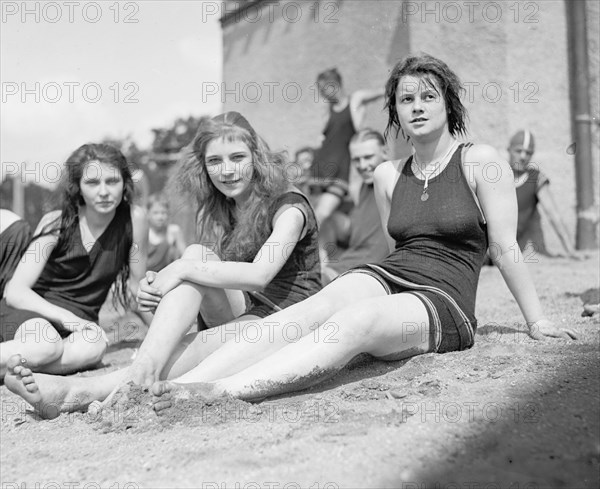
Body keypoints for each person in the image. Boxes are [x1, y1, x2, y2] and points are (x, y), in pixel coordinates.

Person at [5, 57, 575, 418]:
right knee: (301, 316)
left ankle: (217, 394)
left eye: (428, 95)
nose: (418, 105)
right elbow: (390, 249)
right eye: (406, 98)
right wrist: (339, 279)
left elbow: (502, 248)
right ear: (395, 112)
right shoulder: (386, 174)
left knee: (353, 323)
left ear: (449, 102)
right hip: (384, 278)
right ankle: (88, 394)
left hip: (445, 299)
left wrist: (536, 321)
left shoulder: (483, 160)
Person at [0, 144, 149, 377]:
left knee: (96, 345)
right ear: (78, 187)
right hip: (33, 311)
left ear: (125, 182)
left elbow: (134, 287)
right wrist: (68, 320)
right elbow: (15, 291)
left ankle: (16, 370)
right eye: (92, 183)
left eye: (112, 181)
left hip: (83, 322)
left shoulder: (135, 219)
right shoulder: (56, 223)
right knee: (45, 345)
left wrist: (162, 332)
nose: (103, 191)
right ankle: (27, 363)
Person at [311, 68, 385, 226]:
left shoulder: (354, 101)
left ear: (335, 85)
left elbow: (379, 92)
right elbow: (322, 139)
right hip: (320, 168)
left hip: (340, 171)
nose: (322, 94)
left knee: (322, 214)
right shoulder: (327, 110)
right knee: (323, 217)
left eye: (324, 89)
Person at [321, 129, 389, 283]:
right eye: (356, 160)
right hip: (344, 265)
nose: (363, 165)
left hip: (366, 272)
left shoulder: (393, 180)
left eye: (368, 157)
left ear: (385, 152)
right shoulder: (365, 187)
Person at [506, 129, 577, 259]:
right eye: (518, 151)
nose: (522, 157)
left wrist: (570, 250)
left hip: (508, 249)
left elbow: (554, 215)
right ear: (509, 149)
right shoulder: (496, 174)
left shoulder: (535, 178)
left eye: (528, 153)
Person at [146, 193, 187, 273]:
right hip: (145, 275)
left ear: (168, 213)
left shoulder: (173, 231)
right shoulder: (144, 232)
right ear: (148, 213)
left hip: (166, 275)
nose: (160, 217)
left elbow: (185, 256)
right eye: (155, 213)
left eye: (163, 213)